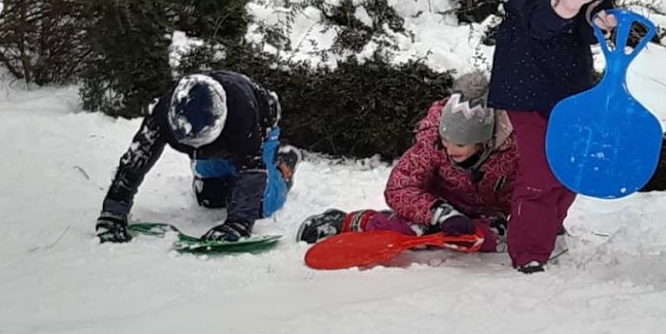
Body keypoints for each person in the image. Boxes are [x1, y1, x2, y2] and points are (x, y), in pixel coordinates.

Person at [487, 0, 618, 274]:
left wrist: (600, 23)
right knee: (542, 169)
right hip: (524, 80)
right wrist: (563, 5)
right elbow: (534, 22)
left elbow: (590, 24)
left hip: (572, 81)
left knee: (570, 165)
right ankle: (528, 250)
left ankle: (546, 226)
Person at [296, 71, 517, 253]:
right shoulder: (432, 145)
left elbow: (524, 191)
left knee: (486, 239)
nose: (449, 149)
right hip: (433, 208)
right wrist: (440, 212)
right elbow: (399, 188)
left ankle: (452, 236)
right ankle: (350, 222)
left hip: (483, 216)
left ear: (481, 142)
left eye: (459, 144)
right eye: (445, 140)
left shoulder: (510, 154)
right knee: (404, 230)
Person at [95, 71, 301, 243]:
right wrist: (114, 211)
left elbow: (252, 170)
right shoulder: (163, 113)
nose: (196, 148)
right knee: (210, 198)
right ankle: (219, 173)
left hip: (260, 127)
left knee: (261, 205)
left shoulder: (242, 112)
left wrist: (239, 223)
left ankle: (284, 164)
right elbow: (137, 158)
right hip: (220, 144)